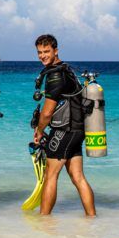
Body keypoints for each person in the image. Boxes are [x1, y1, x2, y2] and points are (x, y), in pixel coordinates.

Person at [31, 34, 96, 216]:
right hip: (77, 130)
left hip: (64, 131)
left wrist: (39, 131)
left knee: (50, 175)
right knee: (77, 177)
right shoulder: (65, 70)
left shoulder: (55, 76)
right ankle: (92, 219)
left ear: (56, 51)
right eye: (39, 52)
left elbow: (47, 112)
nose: (42, 56)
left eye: (46, 51)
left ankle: (44, 221)